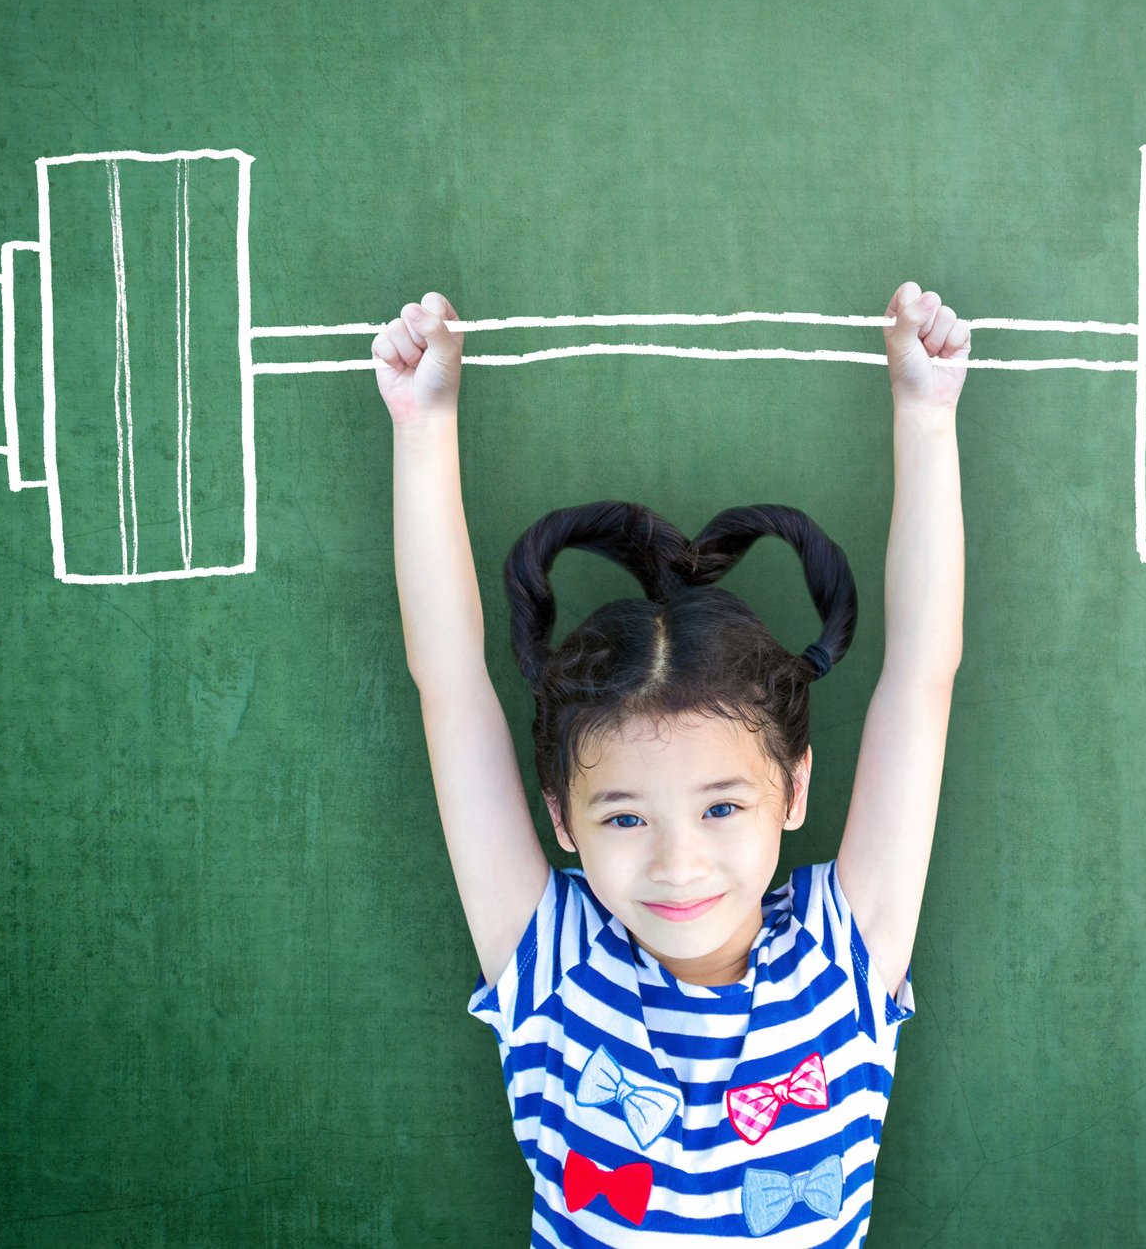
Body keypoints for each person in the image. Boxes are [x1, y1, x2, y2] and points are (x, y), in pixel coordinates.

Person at [375, 282, 966, 1244]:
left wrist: (926, 415)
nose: (677, 863)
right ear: (561, 821)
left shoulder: (843, 955)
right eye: (622, 817)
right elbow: (448, 684)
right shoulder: (554, 965)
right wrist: (421, 423)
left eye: (722, 807)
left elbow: (921, 677)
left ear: (794, 789)